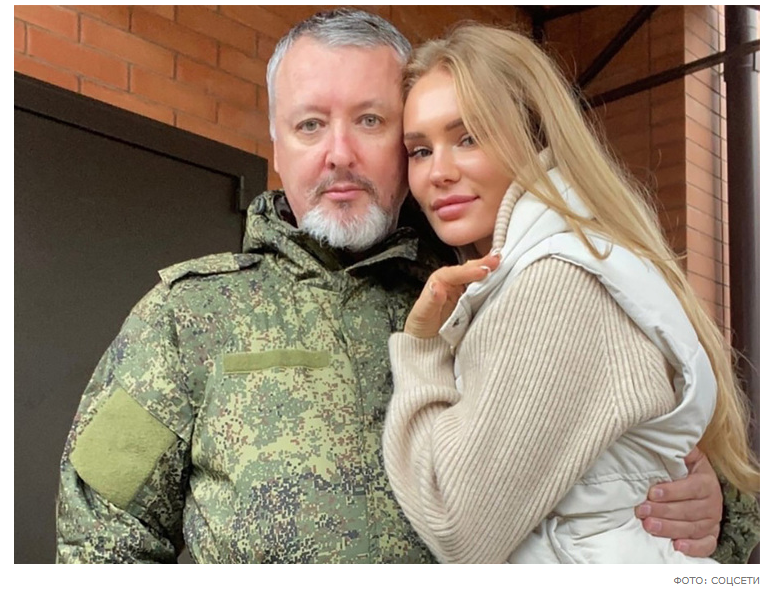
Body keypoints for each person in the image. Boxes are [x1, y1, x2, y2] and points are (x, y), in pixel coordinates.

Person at [55, 9, 754, 564]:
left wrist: (714, 513)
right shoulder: (187, 317)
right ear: (277, 147)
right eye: (309, 125)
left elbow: (675, 461)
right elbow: (97, 539)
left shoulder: (496, 289)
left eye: (370, 120)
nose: (339, 153)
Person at [382, 23, 760, 564]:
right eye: (420, 150)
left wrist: (422, 350)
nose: (438, 172)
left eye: (469, 137)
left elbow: (458, 530)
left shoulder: (556, 284)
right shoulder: (557, 259)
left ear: (534, 134)